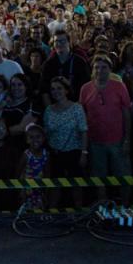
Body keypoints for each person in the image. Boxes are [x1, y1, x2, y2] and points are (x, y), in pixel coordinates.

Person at [79, 56, 132, 202]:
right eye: (97, 67)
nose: (100, 71)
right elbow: (82, 115)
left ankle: (125, 206)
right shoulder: (85, 89)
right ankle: (102, 206)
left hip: (118, 140)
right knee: (98, 177)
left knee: (123, 175)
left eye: (104, 67)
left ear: (110, 70)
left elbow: (127, 114)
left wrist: (127, 139)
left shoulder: (119, 86)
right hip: (95, 141)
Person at [43, 76, 89, 206]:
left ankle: (78, 213)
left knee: (76, 186)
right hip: (55, 153)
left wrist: (84, 153)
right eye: (53, 89)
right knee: (55, 186)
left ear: (66, 90)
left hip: (74, 152)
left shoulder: (77, 108)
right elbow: (46, 133)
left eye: (59, 88)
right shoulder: (48, 110)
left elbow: (84, 131)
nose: (56, 91)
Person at [38, 30, 90, 105]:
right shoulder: (48, 64)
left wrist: (78, 108)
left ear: (69, 43)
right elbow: (44, 90)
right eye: (56, 41)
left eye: (62, 41)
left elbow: (86, 88)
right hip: (54, 106)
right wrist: (50, 110)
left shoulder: (80, 62)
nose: (59, 44)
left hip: (75, 105)